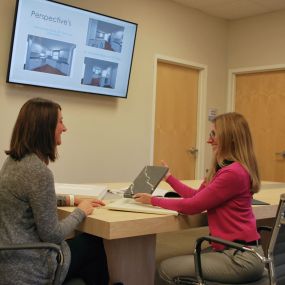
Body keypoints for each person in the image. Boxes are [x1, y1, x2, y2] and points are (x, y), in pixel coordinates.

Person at [134, 112, 265, 284]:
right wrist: (169, 178)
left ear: (229, 138)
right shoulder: (226, 169)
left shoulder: (232, 173)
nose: (209, 140)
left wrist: (153, 200)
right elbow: (197, 196)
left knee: (165, 268)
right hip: (235, 251)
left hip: (240, 259)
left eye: (214, 134)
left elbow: (193, 206)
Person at [0, 98, 109, 285]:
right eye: (60, 121)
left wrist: (72, 199)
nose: (64, 128)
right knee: (94, 244)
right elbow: (53, 235)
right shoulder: (38, 172)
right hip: (30, 268)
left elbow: (33, 200)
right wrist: (81, 211)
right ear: (45, 128)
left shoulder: (13, 162)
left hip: (9, 260)